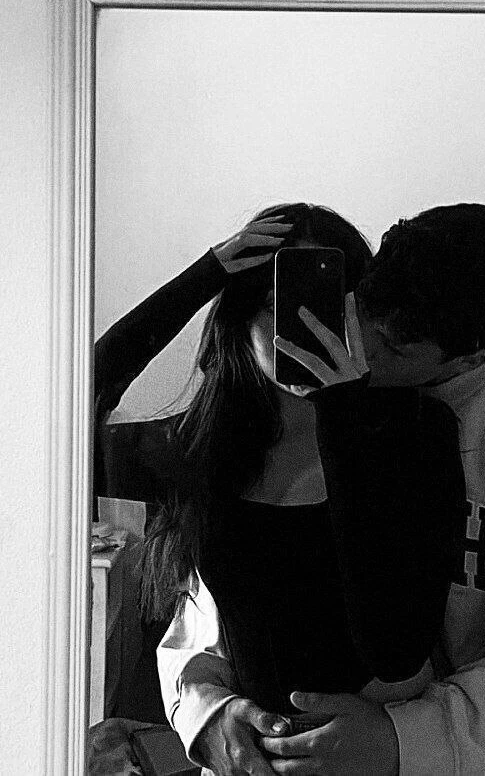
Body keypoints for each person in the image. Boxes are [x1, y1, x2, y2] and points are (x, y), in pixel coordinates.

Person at [93, 203, 466, 775]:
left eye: (327, 310)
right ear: (241, 321)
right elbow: (60, 416)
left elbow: (395, 650)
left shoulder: (417, 435)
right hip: (245, 762)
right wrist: (202, 277)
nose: (304, 330)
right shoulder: (198, 448)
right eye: (280, 306)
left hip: (380, 756)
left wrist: (344, 412)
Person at [257, 203, 485, 775]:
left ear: (471, 357)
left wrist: (400, 741)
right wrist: (208, 709)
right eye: (365, 314)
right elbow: (229, 568)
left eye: (396, 349)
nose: (363, 348)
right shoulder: (308, 375)